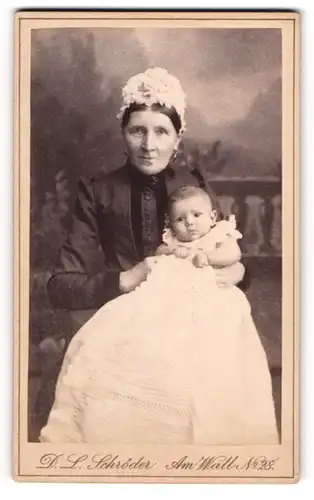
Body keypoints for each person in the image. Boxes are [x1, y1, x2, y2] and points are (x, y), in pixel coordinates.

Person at [35, 67, 250, 434]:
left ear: (177, 138)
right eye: (138, 130)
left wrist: (231, 272)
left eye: (161, 131)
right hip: (119, 331)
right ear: (124, 134)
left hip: (190, 334)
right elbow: (60, 285)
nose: (149, 145)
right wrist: (130, 276)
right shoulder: (97, 190)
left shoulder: (193, 187)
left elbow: (229, 256)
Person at [40, 186, 278, 445]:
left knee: (211, 357)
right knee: (121, 337)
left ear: (212, 218)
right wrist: (171, 253)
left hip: (209, 299)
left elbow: (234, 254)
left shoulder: (220, 236)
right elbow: (158, 255)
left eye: (196, 215)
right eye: (180, 219)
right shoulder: (173, 242)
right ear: (171, 224)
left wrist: (207, 257)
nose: (189, 222)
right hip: (165, 299)